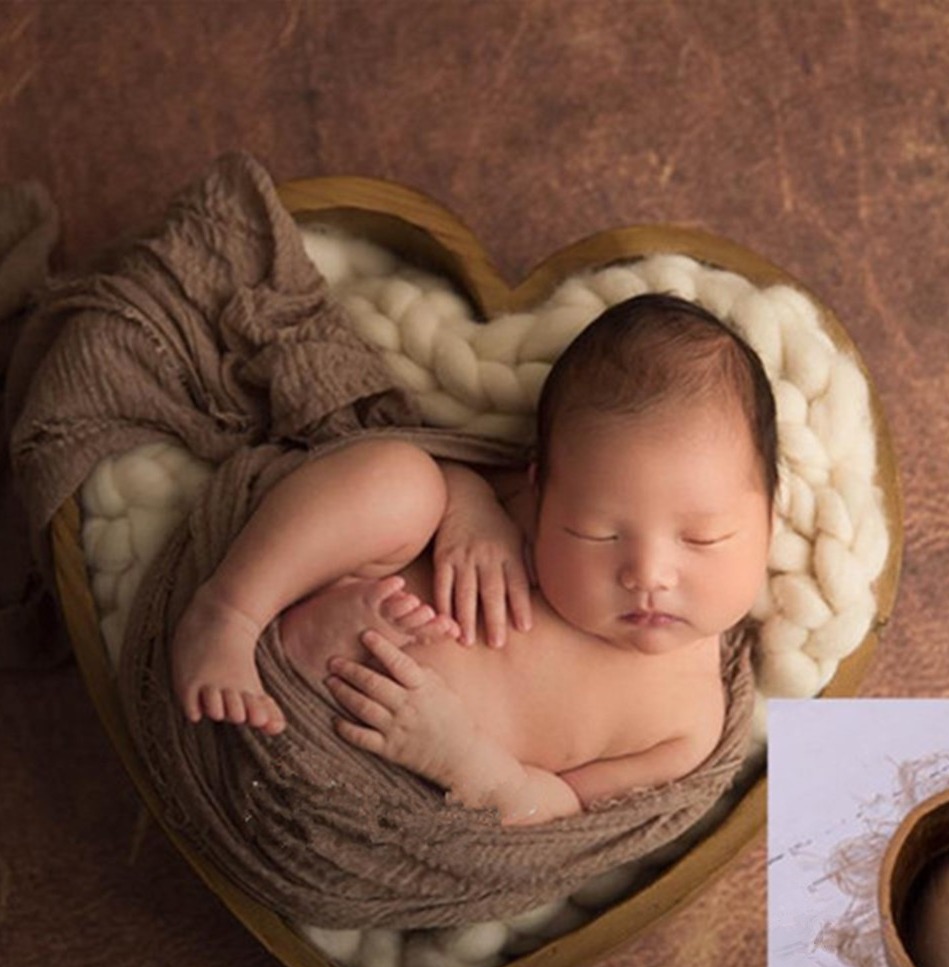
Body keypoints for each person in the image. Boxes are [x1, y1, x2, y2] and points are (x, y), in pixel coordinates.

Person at [171, 294, 777, 824]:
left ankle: (306, 648)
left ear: (770, 520)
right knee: (404, 482)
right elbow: (458, 469)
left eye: (702, 539)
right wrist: (472, 510)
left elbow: (560, 811)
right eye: (596, 532)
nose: (647, 575)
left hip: (358, 756)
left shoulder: (688, 727)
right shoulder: (525, 511)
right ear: (540, 492)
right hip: (340, 579)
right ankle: (232, 610)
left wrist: (463, 760)